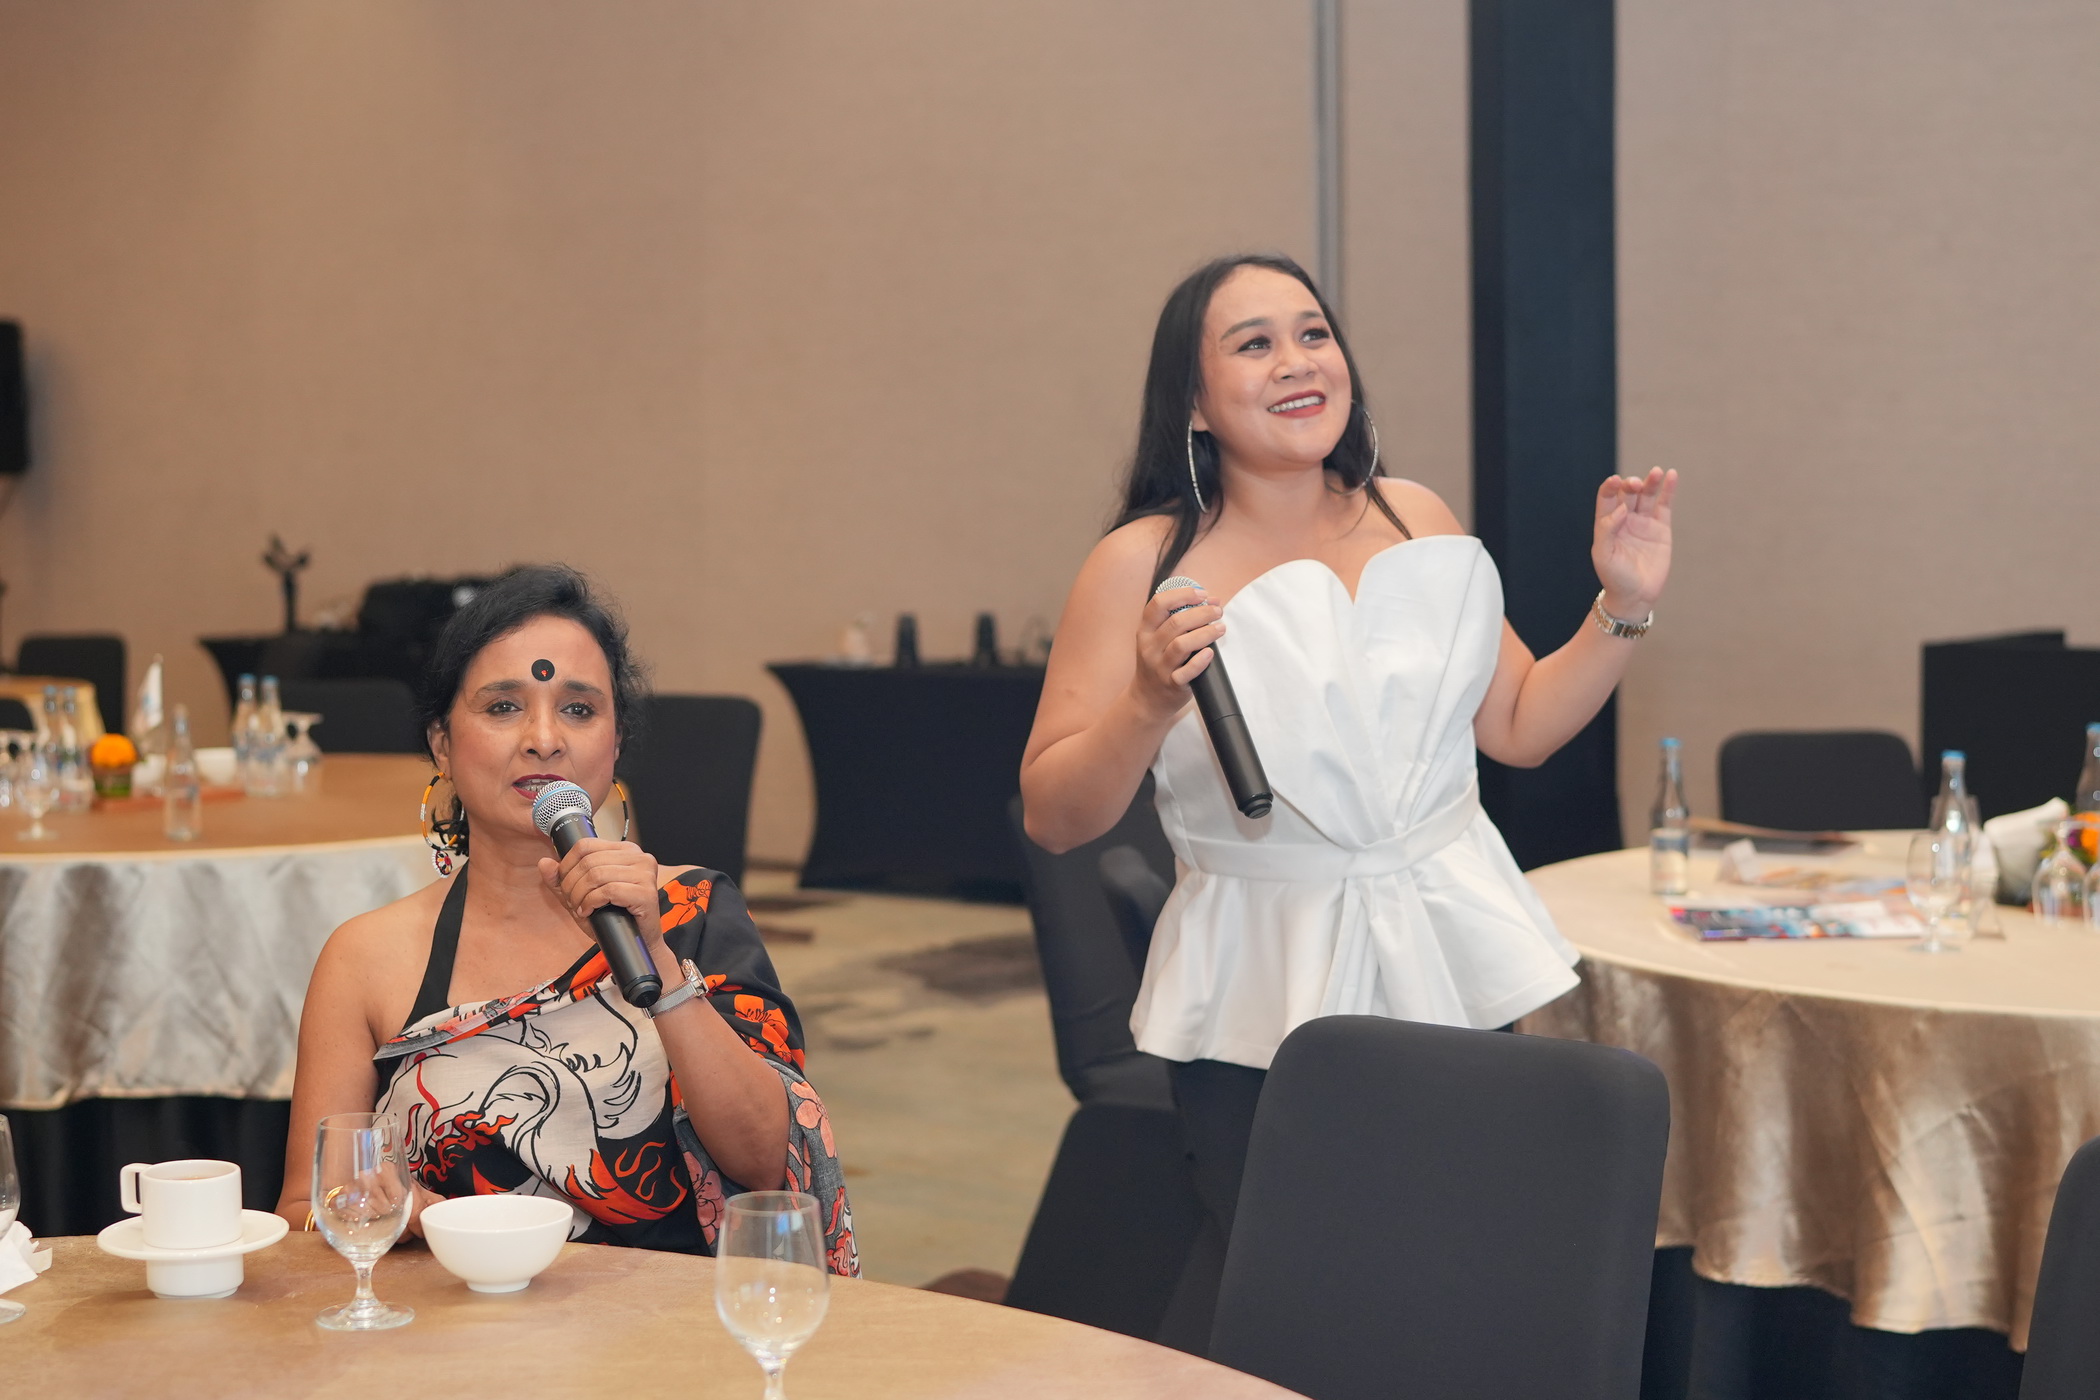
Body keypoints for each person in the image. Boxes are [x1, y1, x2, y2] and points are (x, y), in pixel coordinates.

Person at [1019, 253, 1674, 1337]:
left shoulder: (1413, 515)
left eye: (1313, 333)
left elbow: (1520, 724)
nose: (1297, 362)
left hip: (1450, 950)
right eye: (1254, 344)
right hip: (1262, 986)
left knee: (1462, 1276)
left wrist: (1622, 603)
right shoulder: (1142, 561)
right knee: (1301, 1297)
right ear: (1193, 401)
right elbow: (1054, 815)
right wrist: (1145, 700)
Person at [276, 565, 855, 1275]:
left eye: (579, 710)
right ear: (442, 745)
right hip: (455, 1322)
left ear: (616, 744)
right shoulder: (365, 957)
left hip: (673, 1326)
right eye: (503, 707)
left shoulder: (692, 912)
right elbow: (306, 1208)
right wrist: (398, 1213)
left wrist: (657, 960)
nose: (544, 738)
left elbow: (769, 1165)